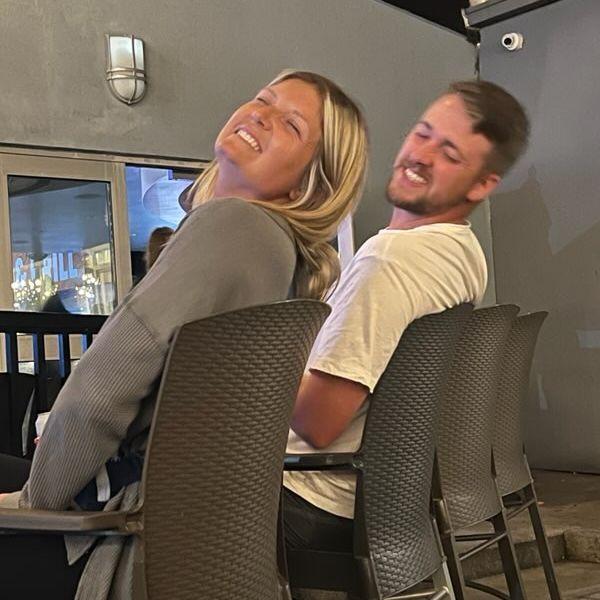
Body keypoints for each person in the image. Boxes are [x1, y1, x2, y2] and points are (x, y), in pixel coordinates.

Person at [0, 69, 368, 600]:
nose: (260, 115)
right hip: (193, 543)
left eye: (290, 124)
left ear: (310, 183)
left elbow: (102, 389)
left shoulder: (232, 225)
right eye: (262, 99)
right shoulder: (280, 254)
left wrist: (33, 504)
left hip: (120, 541)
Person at [282, 80, 530, 553]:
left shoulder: (389, 261)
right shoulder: (465, 253)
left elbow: (318, 423)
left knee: (147, 484)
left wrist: (250, 366)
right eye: (422, 134)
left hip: (312, 498)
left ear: (482, 185)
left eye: (449, 154)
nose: (420, 156)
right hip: (388, 503)